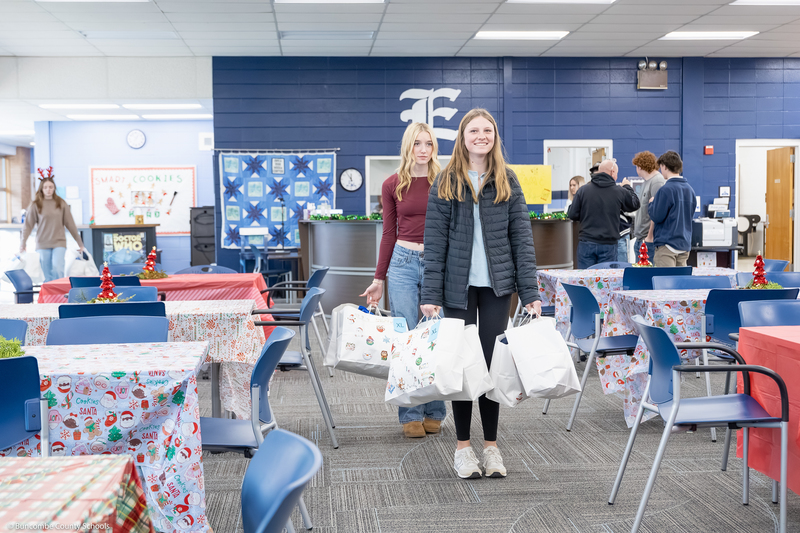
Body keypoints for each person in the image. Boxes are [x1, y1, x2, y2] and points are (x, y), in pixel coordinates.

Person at [420, 108, 542, 480]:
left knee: (490, 367)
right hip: (455, 290)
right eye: (473, 130)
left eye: (487, 130)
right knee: (460, 367)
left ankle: (490, 446)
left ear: (494, 137)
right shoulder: (445, 180)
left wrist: (530, 291)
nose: (480, 136)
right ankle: (462, 448)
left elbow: (521, 239)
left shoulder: (507, 180)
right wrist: (430, 293)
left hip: (496, 288)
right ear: (463, 136)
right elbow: (435, 242)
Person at [360, 122, 447, 438]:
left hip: (438, 264)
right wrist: (378, 278)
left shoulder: (445, 182)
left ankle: (435, 410)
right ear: (408, 147)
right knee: (408, 340)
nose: (423, 149)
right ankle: (410, 412)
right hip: (402, 264)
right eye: (417, 144)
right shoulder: (393, 184)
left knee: (434, 337)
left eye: (429, 144)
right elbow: (388, 233)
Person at [568, 159, 640, 269]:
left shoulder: (583, 190)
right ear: (612, 172)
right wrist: (627, 187)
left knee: (585, 280)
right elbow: (635, 204)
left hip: (586, 243)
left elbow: (572, 214)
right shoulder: (619, 191)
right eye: (616, 173)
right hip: (608, 245)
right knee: (606, 282)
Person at [21, 173, 86, 282]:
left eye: (51, 187)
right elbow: (27, 226)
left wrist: (80, 244)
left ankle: (60, 296)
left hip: (59, 242)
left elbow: (70, 224)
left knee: (58, 268)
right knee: (46, 274)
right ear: (41, 189)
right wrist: (23, 243)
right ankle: (49, 298)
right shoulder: (36, 205)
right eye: (45, 187)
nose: (48, 190)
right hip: (42, 243)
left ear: (54, 188)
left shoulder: (61, 203)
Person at [649, 151, 697, 267]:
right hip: (684, 245)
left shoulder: (665, 190)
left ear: (664, 166)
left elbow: (656, 216)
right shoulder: (690, 190)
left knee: (665, 283)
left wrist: (652, 204)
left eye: (661, 167)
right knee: (681, 283)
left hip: (667, 246)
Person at [631, 151, 665, 263]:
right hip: (641, 238)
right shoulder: (646, 182)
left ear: (640, 166)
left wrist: (650, 237)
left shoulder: (657, 181)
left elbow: (657, 212)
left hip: (648, 240)